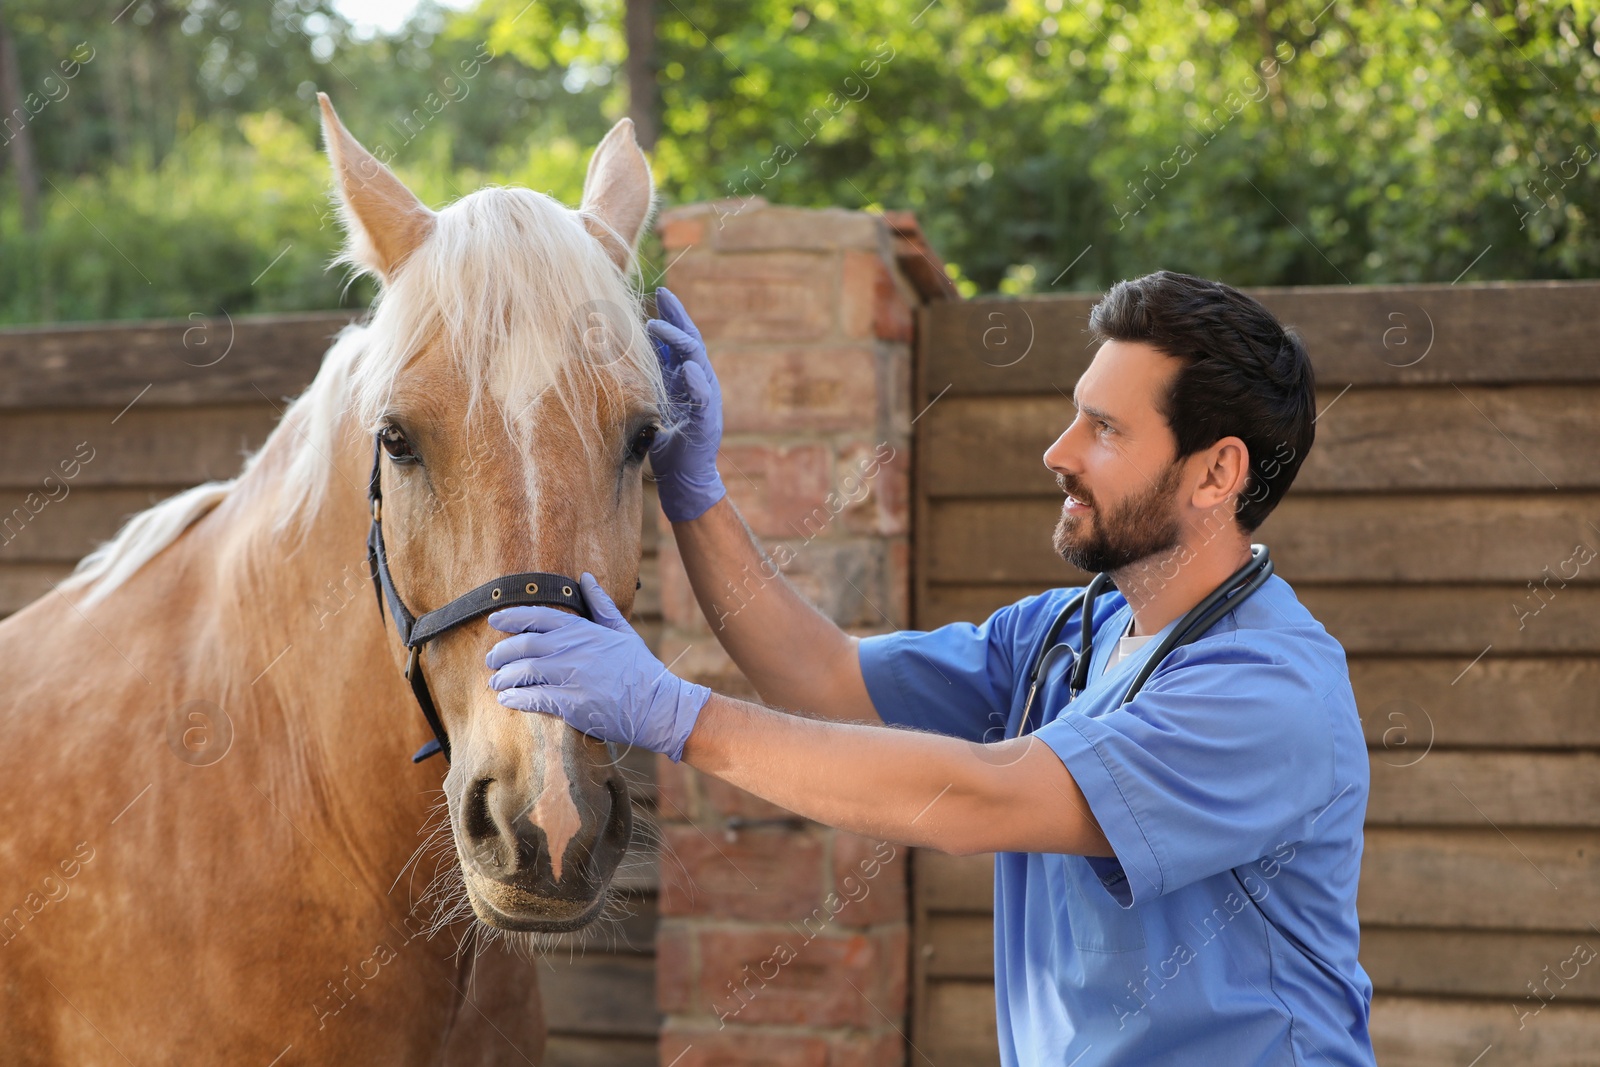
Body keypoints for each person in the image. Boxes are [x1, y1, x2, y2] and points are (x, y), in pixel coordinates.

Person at [485, 272, 1377, 1066]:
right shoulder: (1069, 633)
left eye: (1104, 428)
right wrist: (695, 492)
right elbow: (827, 676)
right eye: (1075, 413)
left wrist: (677, 714)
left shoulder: (1270, 689)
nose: (1058, 451)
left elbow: (975, 801)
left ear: (1218, 472)